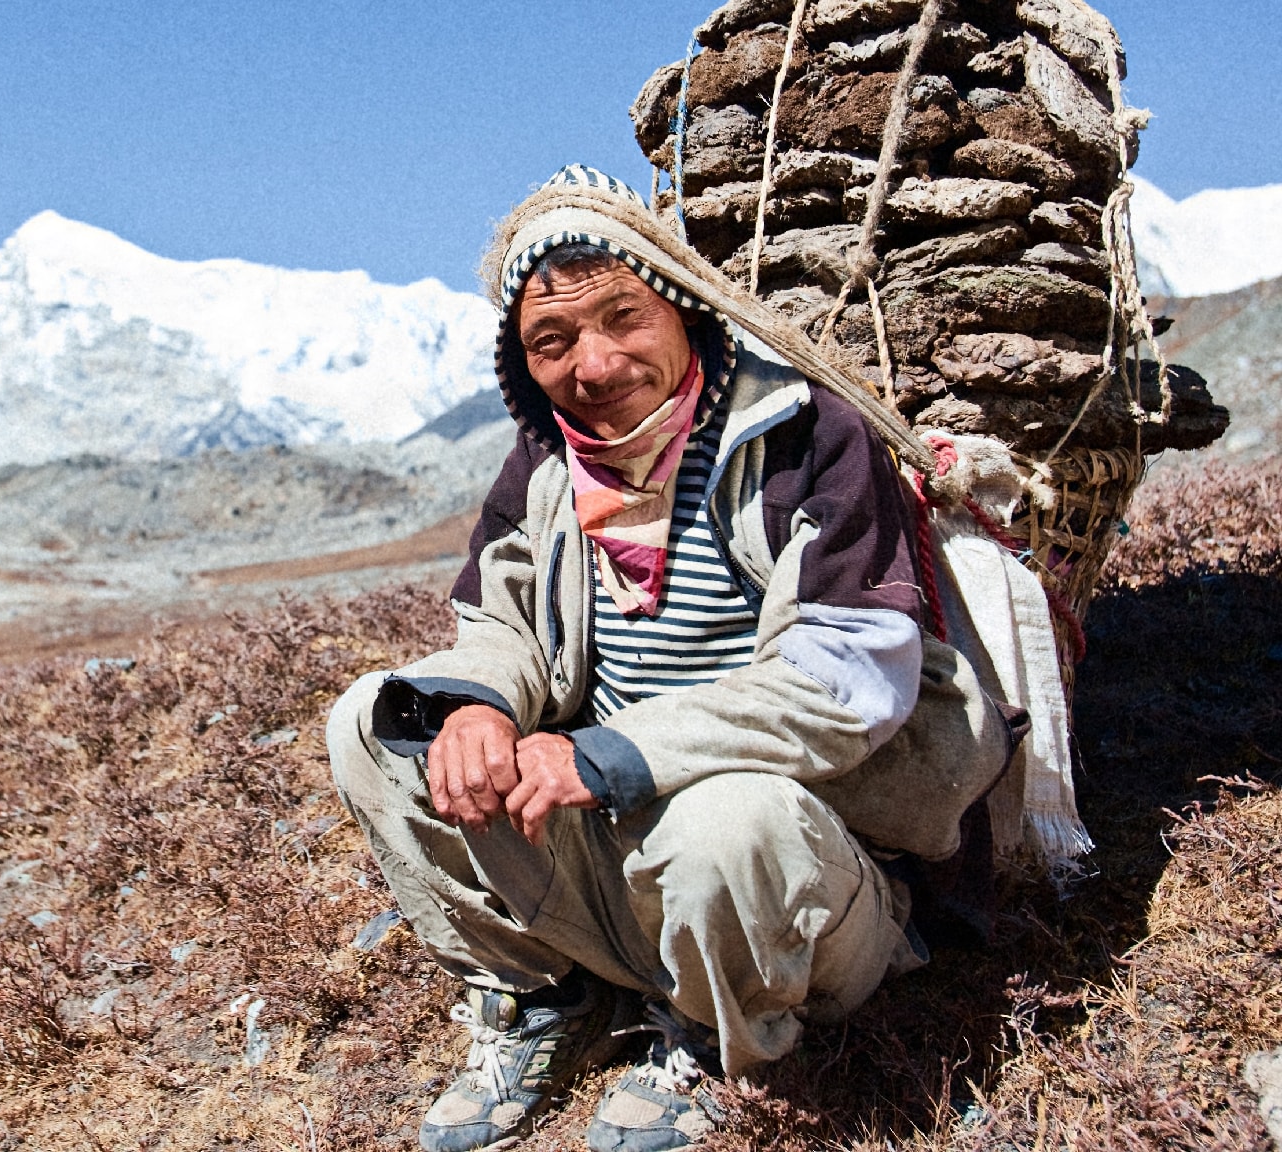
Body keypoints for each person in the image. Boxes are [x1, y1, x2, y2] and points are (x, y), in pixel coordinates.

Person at [326, 165, 1015, 1152]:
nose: (593, 366)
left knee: (730, 819)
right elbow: (501, 621)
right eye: (550, 341)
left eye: (621, 318)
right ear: (522, 365)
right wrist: (479, 709)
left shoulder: (804, 437)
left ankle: (708, 1036)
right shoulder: (547, 464)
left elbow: (843, 680)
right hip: (617, 841)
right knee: (372, 723)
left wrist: (601, 753)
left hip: (804, 868)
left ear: (683, 312)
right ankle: (544, 1000)